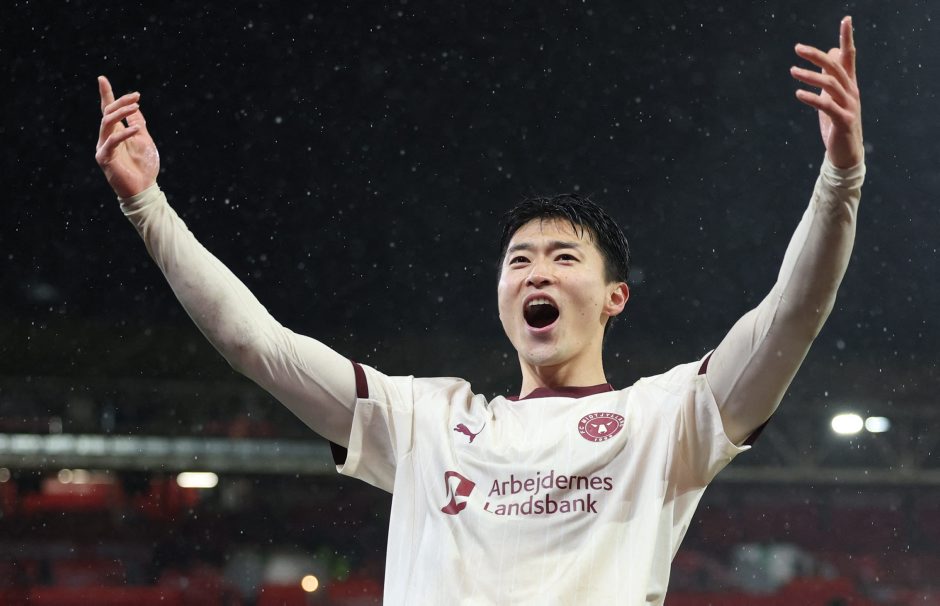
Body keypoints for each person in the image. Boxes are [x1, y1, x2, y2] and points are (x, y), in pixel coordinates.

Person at [95, 16, 864, 606]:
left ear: (615, 297)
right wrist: (147, 206)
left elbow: (791, 314)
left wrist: (841, 177)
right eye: (519, 261)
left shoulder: (664, 419)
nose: (537, 272)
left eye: (565, 258)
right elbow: (256, 344)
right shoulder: (423, 420)